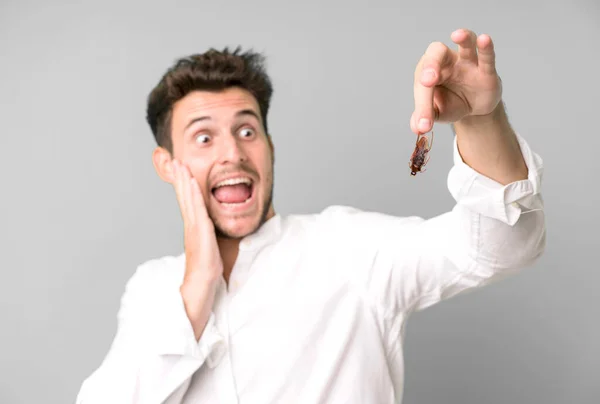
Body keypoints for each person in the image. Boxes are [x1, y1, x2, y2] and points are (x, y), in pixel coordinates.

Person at [76, 28, 546, 404]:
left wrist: (482, 120)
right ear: (168, 165)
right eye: (203, 138)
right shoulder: (152, 289)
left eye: (246, 129)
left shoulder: (348, 247)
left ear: (269, 146)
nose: (232, 153)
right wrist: (198, 285)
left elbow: (500, 249)